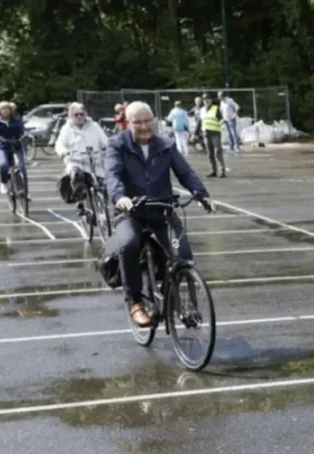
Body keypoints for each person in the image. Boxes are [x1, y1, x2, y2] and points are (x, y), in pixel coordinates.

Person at [104, 101, 213, 326]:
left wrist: (201, 194)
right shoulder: (117, 145)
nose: (144, 126)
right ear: (127, 123)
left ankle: (180, 300)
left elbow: (185, 172)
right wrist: (120, 197)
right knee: (129, 244)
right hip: (130, 211)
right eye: (137, 122)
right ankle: (135, 302)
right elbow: (112, 175)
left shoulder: (165, 144)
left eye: (148, 121)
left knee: (182, 254)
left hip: (162, 209)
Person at [54, 102, 109, 205]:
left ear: (85, 114)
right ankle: (80, 203)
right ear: (70, 116)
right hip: (76, 161)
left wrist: (109, 148)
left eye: (81, 114)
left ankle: (102, 206)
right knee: (77, 176)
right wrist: (63, 152)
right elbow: (59, 144)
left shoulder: (94, 126)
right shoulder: (67, 128)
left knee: (104, 185)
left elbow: (105, 141)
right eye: (76, 114)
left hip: (95, 160)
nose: (79, 117)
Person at [0, 102, 27, 195]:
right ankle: (3, 183)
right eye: (3, 109)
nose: (5, 111)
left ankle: (26, 190)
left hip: (16, 146)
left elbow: (23, 129)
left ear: (11, 111)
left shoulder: (16, 121)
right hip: (2, 146)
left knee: (22, 167)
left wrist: (26, 133)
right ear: (0, 111)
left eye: (7, 109)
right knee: (4, 165)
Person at [199, 94, 225, 178]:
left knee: (218, 151)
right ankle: (213, 171)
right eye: (205, 99)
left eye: (208, 99)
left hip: (215, 133)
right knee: (210, 154)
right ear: (203, 101)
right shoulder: (202, 110)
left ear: (211, 100)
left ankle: (222, 171)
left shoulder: (215, 108)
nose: (206, 101)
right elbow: (200, 122)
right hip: (206, 134)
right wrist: (195, 134)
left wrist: (221, 123)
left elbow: (221, 119)